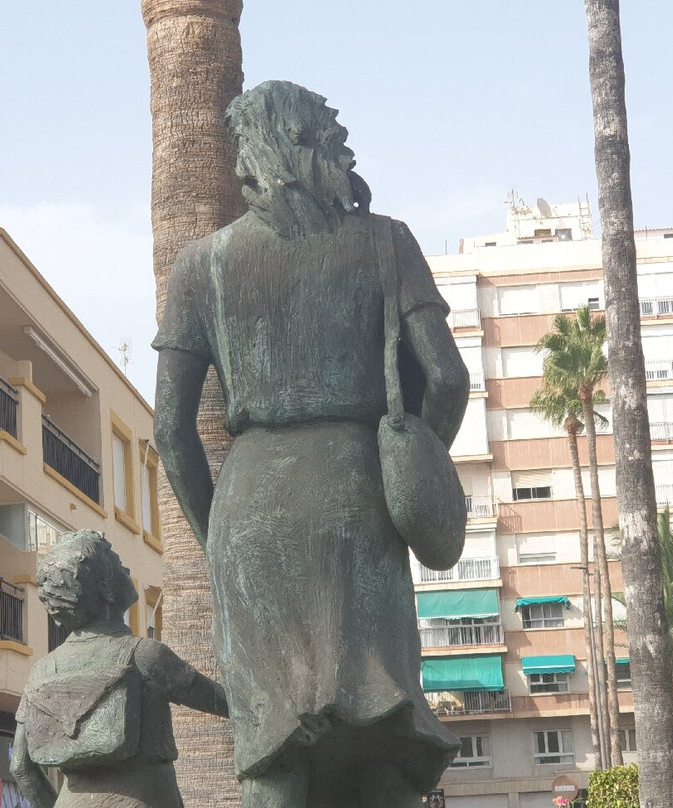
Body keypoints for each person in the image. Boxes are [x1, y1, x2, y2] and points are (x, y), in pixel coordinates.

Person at [154, 80, 468, 808]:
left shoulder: (201, 263)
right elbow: (447, 376)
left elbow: (171, 431)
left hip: (249, 508)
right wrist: (412, 460)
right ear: (316, 147)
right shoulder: (386, 241)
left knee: (273, 737)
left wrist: (215, 538)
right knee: (381, 722)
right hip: (359, 490)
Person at [11, 530, 228, 808]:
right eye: (116, 563)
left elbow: (21, 767)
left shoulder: (41, 671)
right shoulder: (145, 655)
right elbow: (230, 703)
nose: (125, 568)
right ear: (107, 590)